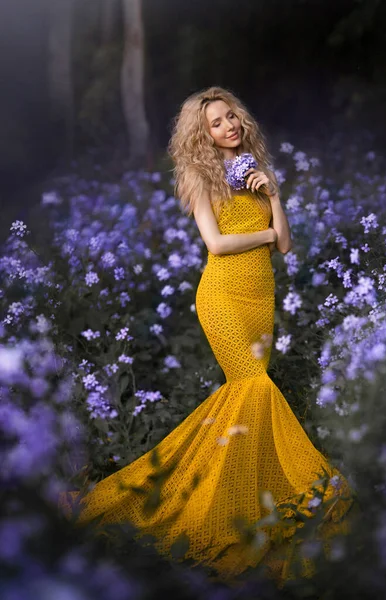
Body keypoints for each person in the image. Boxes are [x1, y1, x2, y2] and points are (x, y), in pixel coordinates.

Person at [59, 86, 356, 587]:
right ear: (203, 134)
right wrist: (263, 232)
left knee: (245, 396)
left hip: (261, 297)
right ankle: (245, 502)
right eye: (216, 122)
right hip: (220, 296)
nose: (228, 125)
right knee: (254, 388)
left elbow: (284, 243)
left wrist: (273, 195)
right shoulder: (201, 175)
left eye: (231, 115)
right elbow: (216, 244)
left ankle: (242, 498)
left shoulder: (258, 168)